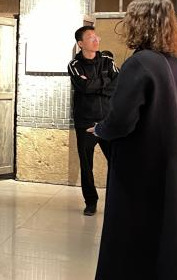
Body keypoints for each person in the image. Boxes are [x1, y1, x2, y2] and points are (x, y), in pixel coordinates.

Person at [89, 0, 177, 279]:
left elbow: (122, 121)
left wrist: (100, 129)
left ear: (140, 23)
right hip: (167, 167)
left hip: (139, 171)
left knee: (130, 242)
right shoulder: (174, 65)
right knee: (164, 237)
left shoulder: (140, 63)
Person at [67, 26, 118, 216]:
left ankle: (116, 199)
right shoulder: (74, 65)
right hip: (85, 122)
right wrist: (105, 82)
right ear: (81, 43)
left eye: (96, 36)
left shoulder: (107, 61)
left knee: (116, 162)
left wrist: (94, 84)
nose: (96, 39)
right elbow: (84, 87)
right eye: (90, 37)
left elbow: (118, 83)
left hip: (107, 121)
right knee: (86, 164)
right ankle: (91, 201)